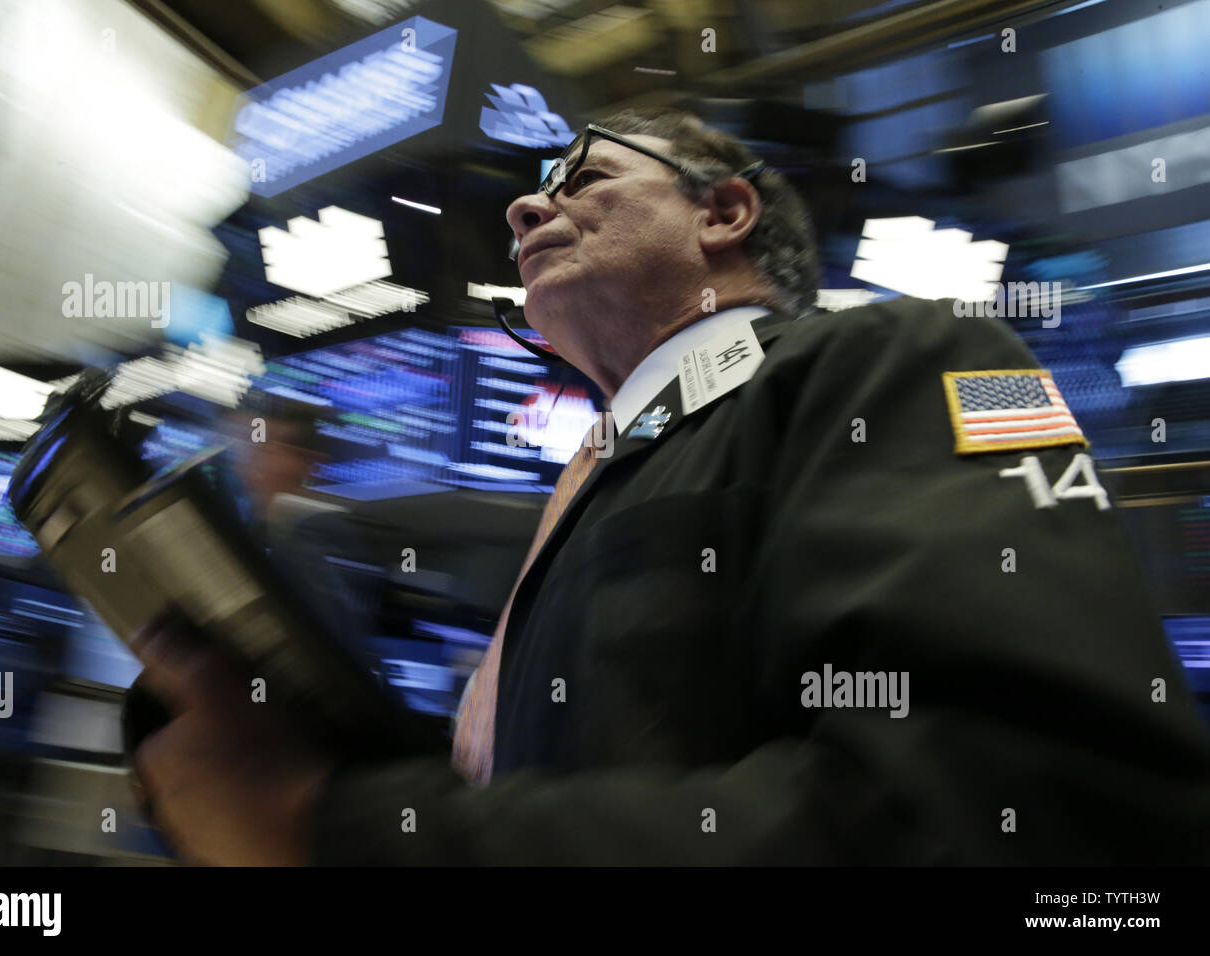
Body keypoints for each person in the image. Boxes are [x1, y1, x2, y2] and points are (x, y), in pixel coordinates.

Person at [127, 107, 1210, 864]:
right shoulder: (604, 471)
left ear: (724, 213)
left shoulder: (922, 355)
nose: (524, 212)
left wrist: (336, 828)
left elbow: (1018, 804)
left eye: (585, 180)